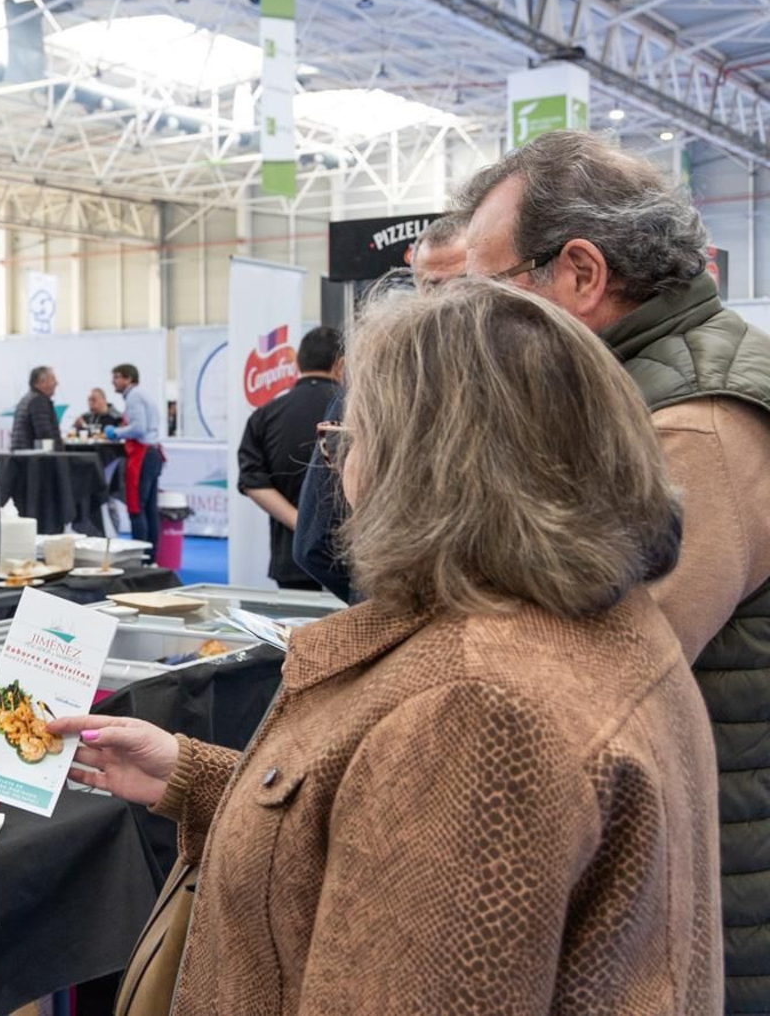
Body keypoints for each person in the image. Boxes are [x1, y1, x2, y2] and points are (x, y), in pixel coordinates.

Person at [52, 280, 720, 1012]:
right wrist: (197, 777)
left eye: (350, 438)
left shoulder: (475, 714)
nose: (339, 467)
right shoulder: (593, 623)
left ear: (425, 466)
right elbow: (375, 843)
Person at [456, 130, 770, 1011]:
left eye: (488, 290)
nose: (474, 321)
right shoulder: (633, 394)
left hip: (718, 883)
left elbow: (602, 676)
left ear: (581, 274)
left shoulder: (695, 423)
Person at [292, 216, 469, 602]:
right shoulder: (374, 383)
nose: (450, 302)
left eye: (465, 283)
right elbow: (316, 540)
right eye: (435, 286)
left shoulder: (374, 379)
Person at [236, 327, 344, 591]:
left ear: (297, 363)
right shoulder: (356, 410)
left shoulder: (265, 415)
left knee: (298, 629)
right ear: (342, 364)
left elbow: (253, 481)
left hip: (292, 556)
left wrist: (301, 523)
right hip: (349, 557)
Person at [105, 363, 163, 559]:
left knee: (136, 507)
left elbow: (139, 428)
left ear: (129, 379)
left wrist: (116, 433)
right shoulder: (142, 395)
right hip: (152, 453)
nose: (114, 381)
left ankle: (140, 557)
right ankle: (151, 557)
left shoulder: (134, 397)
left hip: (142, 455)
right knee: (149, 509)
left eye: (117, 377)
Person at [9, 366, 60, 450]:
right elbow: (44, 435)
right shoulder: (39, 401)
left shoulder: (27, 399)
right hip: (33, 459)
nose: (56, 383)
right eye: (53, 379)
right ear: (42, 382)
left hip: (22, 456)